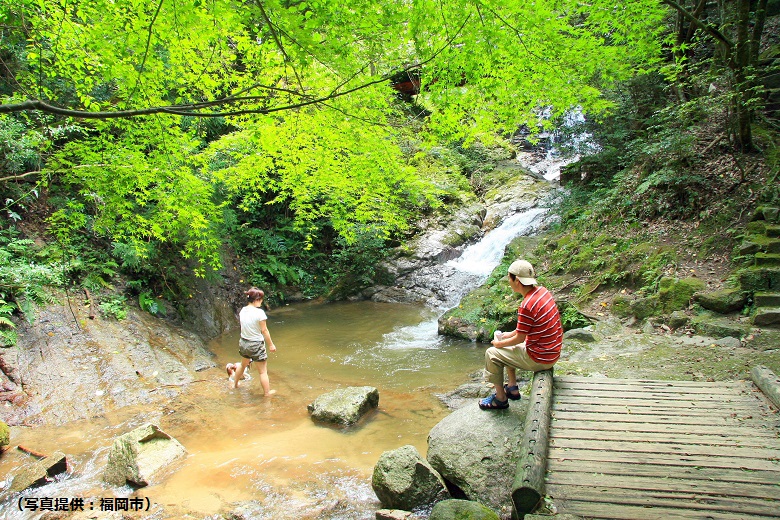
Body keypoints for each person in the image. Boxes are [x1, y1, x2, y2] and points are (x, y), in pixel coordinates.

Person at [479, 259, 563, 410]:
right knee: (509, 346)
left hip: (541, 358)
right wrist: (506, 336)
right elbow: (520, 332)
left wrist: (498, 344)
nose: (508, 281)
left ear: (516, 280)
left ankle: (500, 399)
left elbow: (520, 338)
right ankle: (512, 387)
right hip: (552, 351)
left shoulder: (527, 306)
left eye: (509, 278)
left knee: (492, 354)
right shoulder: (542, 292)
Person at [230, 287, 277, 395]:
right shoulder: (259, 313)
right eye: (261, 299)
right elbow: (264, 330)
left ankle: (235, 385)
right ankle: (267, 393)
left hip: (244, 343)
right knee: (263, 371)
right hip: (256, 344)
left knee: (243, 365)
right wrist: (271, 345)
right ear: (256, 299)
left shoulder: (242, 310)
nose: (261, 302)